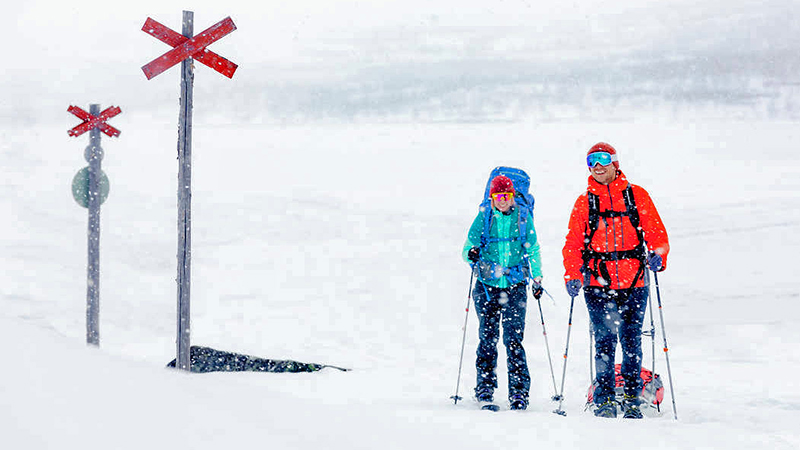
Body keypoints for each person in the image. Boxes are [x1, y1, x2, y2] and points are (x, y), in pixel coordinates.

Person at [562, 142, 669, 419]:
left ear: (615, 162)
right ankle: (604, 399)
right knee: (604, 341)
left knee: (632, 340)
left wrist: (658, 256)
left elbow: (656, 233)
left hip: (635, 282)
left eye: (603, 160)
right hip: (598, 284)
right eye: (591, 162)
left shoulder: (637, 196)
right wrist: (573, 274)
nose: (598, 166)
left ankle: (633, 399)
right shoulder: (585, 202)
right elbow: (573, 243)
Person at [462, 174, 543, 410]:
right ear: (492, 197)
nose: (503, 201)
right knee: (487, 338)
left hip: (516, 286)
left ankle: (519, 392)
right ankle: (485, 387)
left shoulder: (523, 218)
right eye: (498, 197)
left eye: (506, 196)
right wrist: (472, 254)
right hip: (487, 287)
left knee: (513, 340)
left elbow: (534, 248)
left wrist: (537, 277)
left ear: (513, 197)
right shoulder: (484, 218)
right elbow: (467, 247)